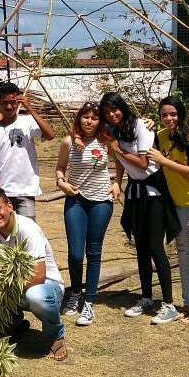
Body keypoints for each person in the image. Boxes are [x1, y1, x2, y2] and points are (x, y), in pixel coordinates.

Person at [99, 92, 180, 324]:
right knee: (141, 247)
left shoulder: (140, 126)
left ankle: (169, 304)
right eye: (107, 112)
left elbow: (144, 163)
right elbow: (120, 161)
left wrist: (118, 149)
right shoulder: (114, 130)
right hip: (135, 191)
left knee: (155, 246)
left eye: (115, 109)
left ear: (122, 107)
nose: (112, 115)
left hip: (154, 191)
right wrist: (117, 180)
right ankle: (146, 298)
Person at [0, 187, 67, 361]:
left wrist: (0, 289)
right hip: (13, 283)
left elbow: (38, 275)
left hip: (45, 285)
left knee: (36, 297)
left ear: (9, 206)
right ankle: (14, 323)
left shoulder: (28, 229)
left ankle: (56, 335)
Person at [55, 101, 118, 326]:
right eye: (85, 117)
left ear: (100, 121)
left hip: (101, 200)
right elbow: (60, 167)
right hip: (76, 200)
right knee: (75, 253)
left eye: (94, 118)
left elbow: (120, 161)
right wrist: (61, 183)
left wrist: (117, 182)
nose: (89, 121)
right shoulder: (69, 142)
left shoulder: (106, 142)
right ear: (79, 118)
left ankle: (89, 301)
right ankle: (75, 293)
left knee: (94, 251)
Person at [147, 96, 189, 326]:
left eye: (173, 114)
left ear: (181, 114)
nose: (169, 118)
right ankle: (188, 304)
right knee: (182, 254)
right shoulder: (161, 136)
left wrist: (163, 160)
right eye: (164, 115)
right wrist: (146, 124)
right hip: (176, 203)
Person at [0, 83, 55, 219]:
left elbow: (50, 135)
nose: (9, 107)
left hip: (25, 190)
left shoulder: (27, 122)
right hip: (4, 190)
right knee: (4, 227)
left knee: (27, 227)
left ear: (18, 102)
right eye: (5, 103)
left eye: (13, 102)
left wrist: (29, 108)